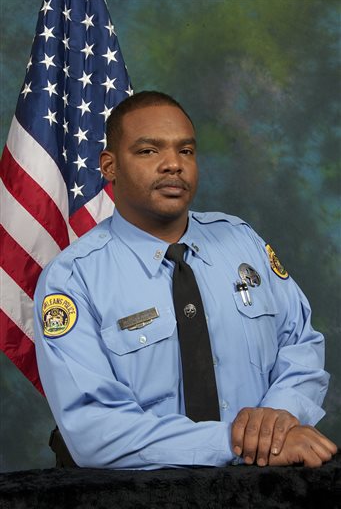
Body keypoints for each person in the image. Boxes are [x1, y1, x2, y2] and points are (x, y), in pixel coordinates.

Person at [34, 91, 337, 470]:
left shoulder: (243, 242)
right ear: (110, 166)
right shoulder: (73, 278)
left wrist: (278, 417)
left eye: (186, 151)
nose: (173, 165)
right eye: (148, 151)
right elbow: (96, 430)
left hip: (266, 487)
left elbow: (301, 344)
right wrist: (237, 442)